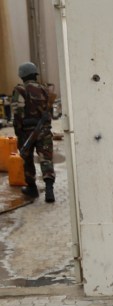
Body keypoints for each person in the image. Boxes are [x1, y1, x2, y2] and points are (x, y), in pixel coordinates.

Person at [11, 62, 55, 202]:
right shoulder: (45, 90)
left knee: (27, 159)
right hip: (45, 130)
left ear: (22, 75)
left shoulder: (20, 89)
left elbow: (17, 113)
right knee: (46, 159)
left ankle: (32, 188)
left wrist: (19, 133)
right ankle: (49, 191)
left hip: (27, 132)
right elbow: (50, 113)